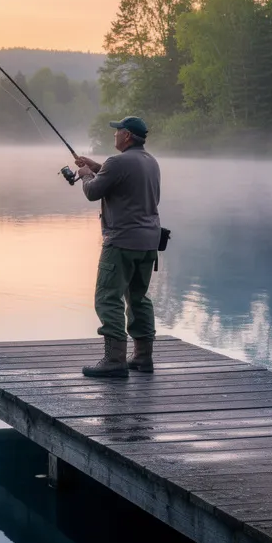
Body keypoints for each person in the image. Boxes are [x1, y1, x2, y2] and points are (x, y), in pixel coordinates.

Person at [73, 116, 161, 378]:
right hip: (149, 242)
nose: (114, 134)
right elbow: (124, 179)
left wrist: (86, 175)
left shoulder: (118, 162)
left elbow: (92, 192)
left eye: (118, 131)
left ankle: (114, 360)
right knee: (138, 298)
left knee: (107, 298)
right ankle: (143, 357)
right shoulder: (150, 161)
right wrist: (96, 166)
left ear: (128, 136)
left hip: (121, 242)